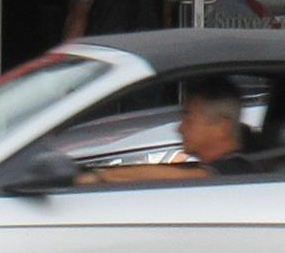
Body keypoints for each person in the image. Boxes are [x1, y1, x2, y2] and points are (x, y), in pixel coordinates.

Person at [75, 76, 253, 187]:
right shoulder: (217, 169)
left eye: (188, 118)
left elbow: (184, 179)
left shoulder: (235, 172)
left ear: (222, 127)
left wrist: (102, 176)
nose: (180, 128)